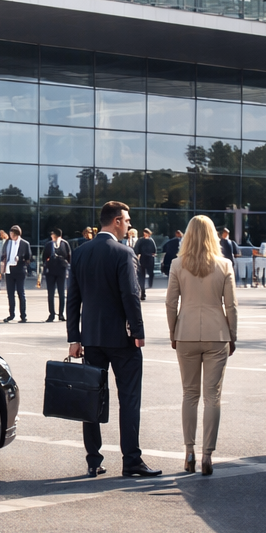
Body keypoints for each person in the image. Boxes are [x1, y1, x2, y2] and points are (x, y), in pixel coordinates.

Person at [68, 201, 161, 479]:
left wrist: (74, 338)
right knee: (129, 399)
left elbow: (73, 299)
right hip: (122, 340)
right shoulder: (124, 253)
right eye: (128, 220)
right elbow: (131, 295)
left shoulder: (80, 252)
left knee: (91, 399)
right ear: (117, 221)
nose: (130, 225)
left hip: (91, 338)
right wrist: (139, 332)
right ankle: (131, 460)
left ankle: (93, 460)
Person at [166, 215, 239, 476]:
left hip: (185, 333)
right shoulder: (224, 264)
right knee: (212, 397)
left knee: (189, 394)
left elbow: (170, 303)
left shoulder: (177, 264)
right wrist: (232, 335)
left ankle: (189, 451)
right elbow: (231, 305)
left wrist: (173, 332)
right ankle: (208, 454)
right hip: (216, 333)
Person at [0, 225, 31, 323]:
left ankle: (23, 315)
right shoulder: (8, 242)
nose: (10, 235)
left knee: (21, 292)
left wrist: (21, 259)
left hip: (20, 269)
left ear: (17, 234)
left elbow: (28, 257)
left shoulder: (25, 244)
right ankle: (11, 314)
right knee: (10, 293)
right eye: (10, 233)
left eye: (12, 234)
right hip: (9, 270)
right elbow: (3, 253)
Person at [43, 228, 71, 322]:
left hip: (61, 270)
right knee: (50, 293)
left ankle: (61, 314)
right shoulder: (49, 244)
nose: (52, 236)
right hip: (50, 271)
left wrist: (65, 264)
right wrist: (47, 263)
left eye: (53, 234)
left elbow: (69, 256)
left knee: (61, 293)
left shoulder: (64, 244)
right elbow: (44, 256)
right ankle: (51, 314)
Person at [134, 228, 157, 300]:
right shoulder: (145, 240)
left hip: (147, 258)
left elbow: (154, 250)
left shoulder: (147, 240)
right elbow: (136, 249)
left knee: (148, 274)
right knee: (142, 275)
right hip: (144, 258)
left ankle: (146, 287)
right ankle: (143, 290)